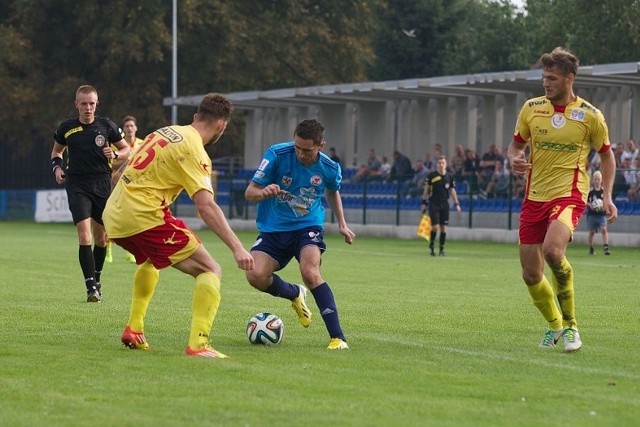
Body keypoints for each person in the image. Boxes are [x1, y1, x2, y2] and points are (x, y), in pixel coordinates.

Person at [103, 93, 254, 358]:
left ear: (196, 117)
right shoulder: (195, 150)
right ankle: (198, 345)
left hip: (114, 214)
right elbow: (206, 206)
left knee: (150, 260)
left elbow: (118, 174)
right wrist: (237, 248)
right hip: (143, 215)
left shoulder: (165, 131)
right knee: (210, 269)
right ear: (222, 125)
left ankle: (134, 329)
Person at [507, 47, 618, 353]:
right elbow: (515, 148)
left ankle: (571, 326)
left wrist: (607, 196)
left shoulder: (591, 116)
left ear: (569, 79)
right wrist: (514, 161)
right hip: (534, 197)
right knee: (531, 274)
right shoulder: (531, 108)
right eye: (544, 77)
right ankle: (555, 325)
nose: (546, 83)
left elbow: (607, 157)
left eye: (552, 78)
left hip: (569, 195)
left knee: (553, 252)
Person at [244, 118, 356, 350]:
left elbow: (333, 192)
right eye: (297, 148)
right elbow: (249, 192)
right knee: (255, 275)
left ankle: (338, 338)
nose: (301, 154)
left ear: (320, 146)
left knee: (310, 271)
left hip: (307, 225)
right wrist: (264, 192)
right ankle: (294, 293)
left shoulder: (329, 167)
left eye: (307, 150)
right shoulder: (277, 154)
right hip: (273, 228)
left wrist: (342, 224)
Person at [50, 84, 131, 303]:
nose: (88, 108)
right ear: (76, 104)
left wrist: (114, 153)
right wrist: (57, 168)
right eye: (84, 103)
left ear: (97, 104)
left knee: (101, 238)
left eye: (92, 104)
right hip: (77, 184)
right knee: (84, 235)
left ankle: (96, 278)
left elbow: (127, 149)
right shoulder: (67, 128)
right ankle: (90, 288)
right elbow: (57, 151)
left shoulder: (106, 125)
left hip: (102, 184)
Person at [106, 115, 145, 263]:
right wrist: (125, 160)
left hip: (135, 187)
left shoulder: (142, 144)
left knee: (133, 219)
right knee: (112, 218)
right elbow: (110, 164)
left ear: (136, 128)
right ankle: (108, 249)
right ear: (124, 129)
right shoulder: (117, 146)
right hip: (117, 185)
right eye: (127, 126)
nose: (129, 129)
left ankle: (130, 250)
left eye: (131, 126)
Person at [420, 156, 461, 256]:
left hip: (445, 204)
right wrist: (424, 203)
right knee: (435, 227)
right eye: (439, 163)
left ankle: (442, 249)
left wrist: (457, 204)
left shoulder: (449, 177)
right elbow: (426, 190)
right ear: (436, 164)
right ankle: (431, 245)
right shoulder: (431, 176)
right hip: (434, 203)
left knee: (444, 228)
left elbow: (452, 191)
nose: (441, 165)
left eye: (443, 163)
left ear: (446, 164)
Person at [586, 171, 610, 255]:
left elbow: (608, 201)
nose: (597, 181)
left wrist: (604, 206)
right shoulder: (590, 191)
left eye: (598, 179)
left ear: (601, 180)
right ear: (593, 180)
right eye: (595, 179)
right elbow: (585, 201)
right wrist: (590, 205)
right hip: (592, 214)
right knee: (592, 232)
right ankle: (591, 247)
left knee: (603, 229)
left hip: (601, 214)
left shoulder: (604, 191)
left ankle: (606, 247)